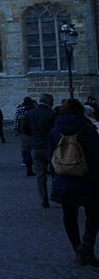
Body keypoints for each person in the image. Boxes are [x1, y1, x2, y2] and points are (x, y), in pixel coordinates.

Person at [47, 98, 99, 266]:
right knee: (94, 213)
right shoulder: (87, 128)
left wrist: (56, 176)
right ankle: (87, 243)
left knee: (69, 215)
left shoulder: (55, 130)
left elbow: (51, 159)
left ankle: (77, 248)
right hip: (88, 179)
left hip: (63, 180)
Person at [22, 93, 56, 208]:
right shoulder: (52, 113)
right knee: (55, 172)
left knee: (40, 175)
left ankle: (43, 198)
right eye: (52, 101)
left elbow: (24, 130)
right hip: (49, 147)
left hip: (35, 147)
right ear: (47, 101)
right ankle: (56, 195)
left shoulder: (30, 114)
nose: (53, 103)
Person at [15, 96, 36, 175]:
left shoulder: (20, 110)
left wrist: (16, 132)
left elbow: (16, 121)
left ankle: (28, 168)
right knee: (36, 149)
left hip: (24, 133)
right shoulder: (35, 109)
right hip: (35, 132)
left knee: (26, 150)